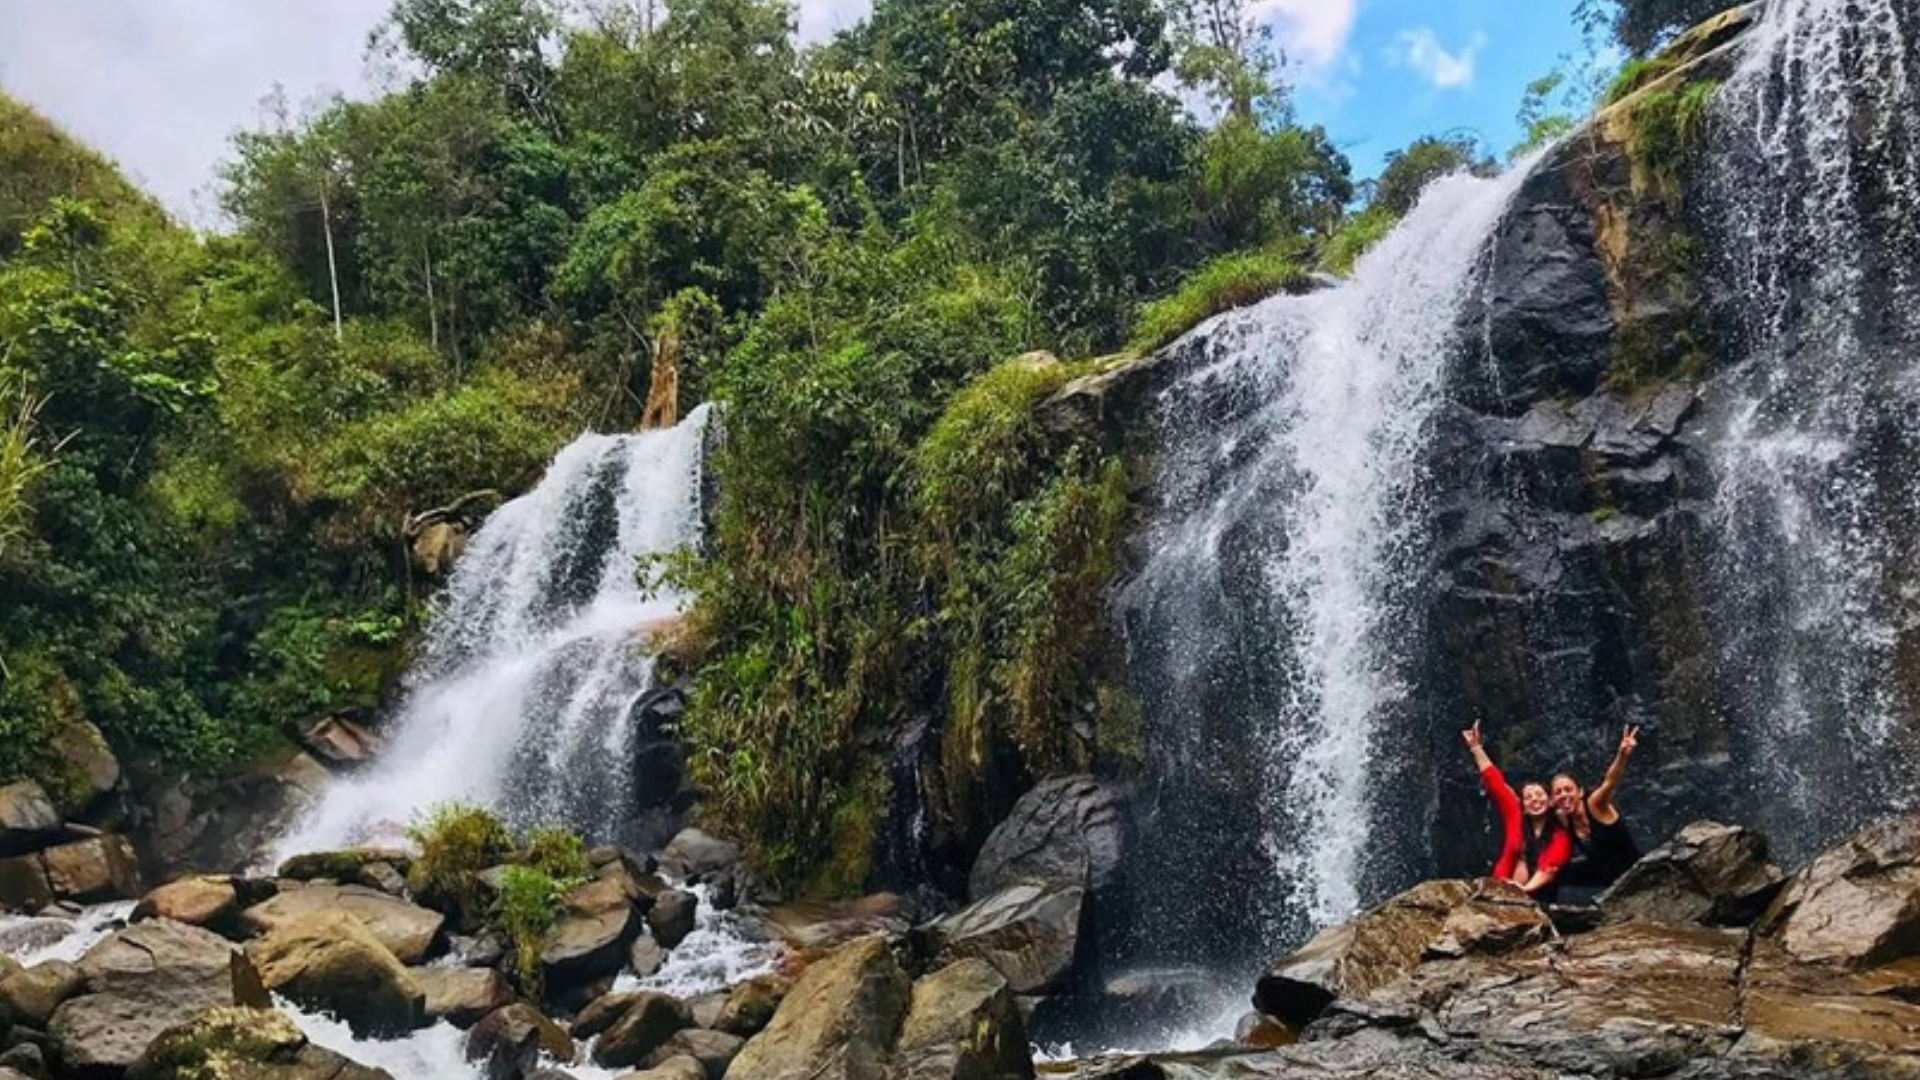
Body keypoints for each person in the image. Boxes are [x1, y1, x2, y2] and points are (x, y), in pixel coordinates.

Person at [1461, 721, 1571, 897]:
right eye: (1529, 797)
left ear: (1550, 801)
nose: (1535, 799)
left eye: (1540, 795)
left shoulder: (1560, 833)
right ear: (1523, 806)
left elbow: (1549, 866)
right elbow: (1495, 783)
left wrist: (1523, 890)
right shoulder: (1515, 816)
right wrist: (1476, 747)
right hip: (1501, 889)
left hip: (1539, 895)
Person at [1553, 725, 1643, 890]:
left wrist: (1622, 755)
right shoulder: (1563, 818)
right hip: (1605, 875)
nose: (1563, 795)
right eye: (1558, 792)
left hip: (1632, 873)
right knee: (1555, 873)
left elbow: (1610, 781)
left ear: (1580, 792)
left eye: (1568, 789)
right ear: (1553, 800)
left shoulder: (1595, 804)